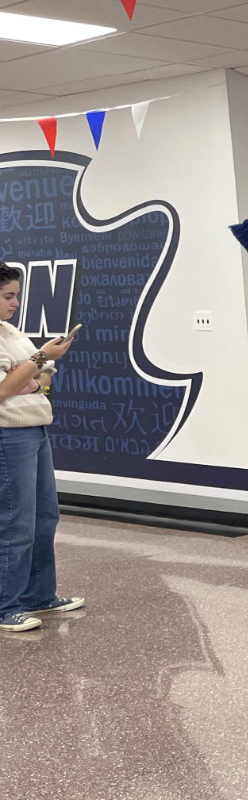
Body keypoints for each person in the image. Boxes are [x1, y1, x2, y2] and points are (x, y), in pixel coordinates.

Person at [0, 264, 83, 633]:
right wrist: (35, 363)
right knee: (15, 523)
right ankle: (6, 605)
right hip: (9, 435)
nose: (16, 303)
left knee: (44, 517)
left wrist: (36, 372)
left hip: (35, 429)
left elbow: (31, 379)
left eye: (16, 295)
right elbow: (3, 390)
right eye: (8, 296)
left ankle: (38, 594)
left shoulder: (11, 332)